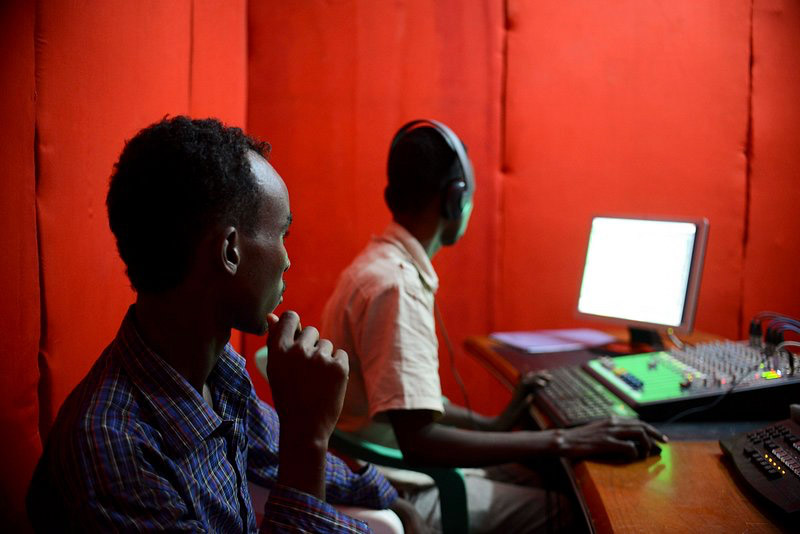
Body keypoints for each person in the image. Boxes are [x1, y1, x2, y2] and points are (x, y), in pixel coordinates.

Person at [26, 116, 418, 532]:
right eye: (282, 233)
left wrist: (395, 500)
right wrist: (308, 436)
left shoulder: (216, 369)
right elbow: (291, 451)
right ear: (230, 251)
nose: (287, 260)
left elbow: (267, 450)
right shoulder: (113, 451)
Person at [321, 119, 668, 533]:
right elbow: (419, 439)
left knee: (547, 474)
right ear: (455, 199)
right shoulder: (396, 286)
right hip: (409, 489)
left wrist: (493, 425)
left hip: (389, 468)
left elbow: (405, 404)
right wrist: (565, 440)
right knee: (575, 512)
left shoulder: (375, 266)